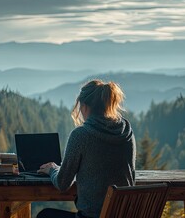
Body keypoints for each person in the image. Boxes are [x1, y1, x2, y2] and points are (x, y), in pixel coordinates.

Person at [37, 79, 136, 218]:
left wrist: (52, 169)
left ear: (84, 106)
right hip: (123, 214)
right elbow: (131, 175)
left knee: (45, 215)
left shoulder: (81, 135)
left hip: (92, 216)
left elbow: (63, 183)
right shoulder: (126, 133)